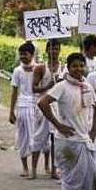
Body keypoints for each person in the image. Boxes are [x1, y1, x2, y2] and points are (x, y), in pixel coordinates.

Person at [38, 52, 96, 190]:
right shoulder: (62, 86)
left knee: (90, 179)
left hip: (85, 140)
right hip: (68, 142)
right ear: (69, 67)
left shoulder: (86, 85)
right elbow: (43, 103)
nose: (78, 69)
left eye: (81, 65)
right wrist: (58, 125)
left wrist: (94, 130)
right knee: (71, 180)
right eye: (75, 66)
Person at [33, 39, 64, 178]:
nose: (54, 51)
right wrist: (48, 85)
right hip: (42, 105)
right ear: (47, 50)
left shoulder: (64, 68)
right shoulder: (41, 68)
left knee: (56, 139)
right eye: (51, 49)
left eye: (56, 49)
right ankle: (33, 169)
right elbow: (34, 88)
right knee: (39, 137)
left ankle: (54, 169)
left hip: (57, 106)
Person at [9, 42, 40, 179]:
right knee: (22, 138)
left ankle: (35, 168)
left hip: (36, 106)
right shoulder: (17, 71)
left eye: (25, 54)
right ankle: (25, 167)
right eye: (21, 54)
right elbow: (14, 91)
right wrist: (11, 111)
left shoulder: (39, 69)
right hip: (22, 106)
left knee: (35, 138)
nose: (23, 57)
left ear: (32, 54)